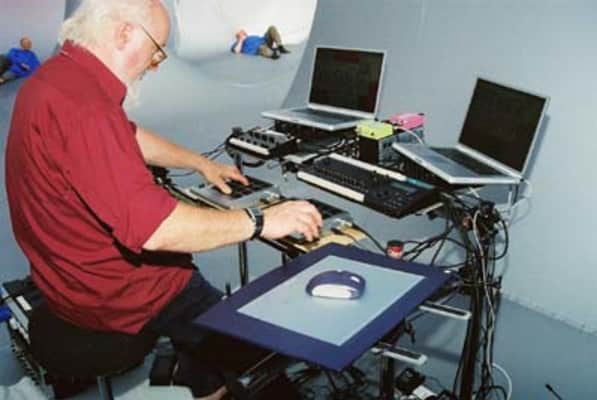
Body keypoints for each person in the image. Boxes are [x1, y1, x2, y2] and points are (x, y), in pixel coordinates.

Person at [4, 1, 322, 399]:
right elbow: (155, 230)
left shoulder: (59, 76)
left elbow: (126, 135)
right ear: (124, 34)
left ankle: (203, 380)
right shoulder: (86, 108)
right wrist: (260, 221)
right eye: (156, 50)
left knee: (193, 296)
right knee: (243, 345)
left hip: (64, 279)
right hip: (111, 295)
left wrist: (200, 163)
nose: (155, 65)